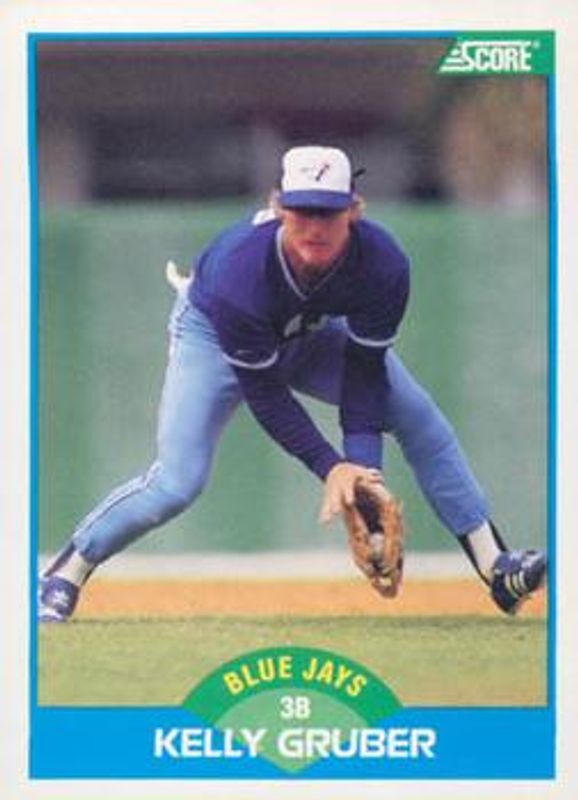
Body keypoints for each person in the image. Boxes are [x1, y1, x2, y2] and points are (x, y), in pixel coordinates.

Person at [38, 145, 546, 622]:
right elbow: (265, 393)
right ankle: (65, 573)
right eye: (302, 211)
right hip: (212, 335)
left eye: (328, 212)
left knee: (419, 418)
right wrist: (330, 466)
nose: (314, 226)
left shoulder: (383, 263)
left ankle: (496, 568)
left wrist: (364, 478)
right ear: (278, 208)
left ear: (354, 211)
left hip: (311, 333)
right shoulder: (240, 271)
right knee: (176, 482)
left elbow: (365, 372)